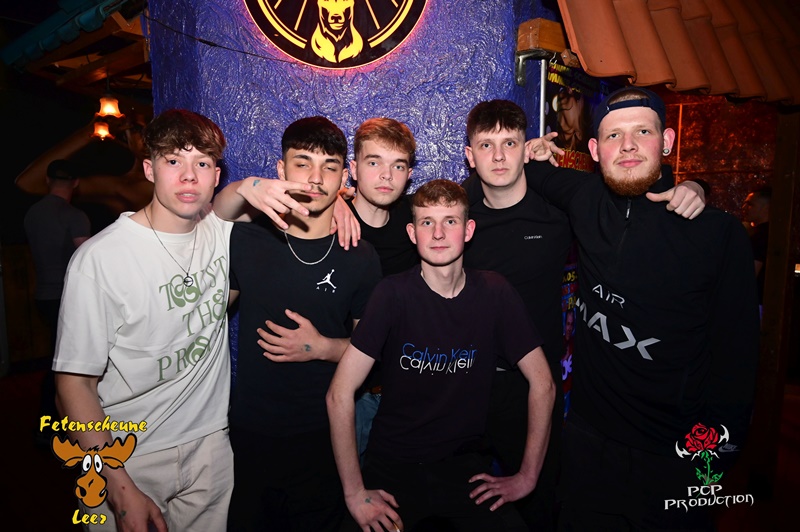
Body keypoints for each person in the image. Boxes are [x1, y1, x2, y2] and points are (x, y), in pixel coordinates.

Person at [460, 99, 706, 530]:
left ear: (525, 148)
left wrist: (696, 186)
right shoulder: (455, 215)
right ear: (469, 154)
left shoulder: (560, 212)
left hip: (535, 389)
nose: (498, 156)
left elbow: (633, 198)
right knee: (457, 504)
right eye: (486, 145)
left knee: (541, 507)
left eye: (510, 143)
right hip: (464, 379)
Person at [524, 87, 760, 530]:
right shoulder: (584, 198)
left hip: (675, 455)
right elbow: (530, 171)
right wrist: (533, 152)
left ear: (666, 142)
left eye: (643, 132)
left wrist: (712, 463)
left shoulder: (717, 234)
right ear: (595, 150)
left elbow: (737, 361)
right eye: (613, 135)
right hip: (589, 446)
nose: (628, 145)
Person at [327, 179, 555, 532]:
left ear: (468, 229)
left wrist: (527, 476)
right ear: (412, 233)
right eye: (426, 222)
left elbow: (544, 384)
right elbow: (339, 393)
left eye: (450, 221)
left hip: (464, 468)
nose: (437, 233)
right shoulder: (392, 294)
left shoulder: (495, 292)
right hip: (393, 466)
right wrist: (355, 493)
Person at [53, 109, 240, 531]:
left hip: (210, 444)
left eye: (202, 163)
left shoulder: (222, 233)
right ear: (149, 169)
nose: (188, 176)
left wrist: (340, 205)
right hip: (126, 452)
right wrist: (117, 484)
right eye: (173, 160)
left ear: (216, 176)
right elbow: (73, 384)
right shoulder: (101, 259)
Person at [219, 116, 382, 531]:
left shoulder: (360, 255)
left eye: (329, 167)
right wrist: (245, 188)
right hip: (251, 432)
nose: (315, 178)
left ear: (343, 177)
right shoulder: (247, 240)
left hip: (324, 435)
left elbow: (374, 349)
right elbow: (208, 218)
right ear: (281, 169)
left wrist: (323, 347)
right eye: (302, 163)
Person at [345, 117, 418, 464]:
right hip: (350, 397)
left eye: (398, 166)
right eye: (374, 163)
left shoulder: (416, 219)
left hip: (408, 394)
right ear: (353, 169)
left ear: (409, 174)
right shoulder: (327, 225)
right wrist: (332, 202)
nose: (387, 176)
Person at [24, 159, 90, 442]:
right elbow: (88, 261)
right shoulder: (74, 216)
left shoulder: (32, 213)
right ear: (76, 183)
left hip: (42, 295)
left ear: (48, 180)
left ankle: (48, 426)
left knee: (57, 361)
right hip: (67, 300)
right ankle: (55, 428)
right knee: (69, 368)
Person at [742, 184, 771, 309]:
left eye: (750, 204)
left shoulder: (760, 237)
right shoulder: (772, 233)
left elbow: (749, 274)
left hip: (756, 303)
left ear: (766, 208)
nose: (744, 208)